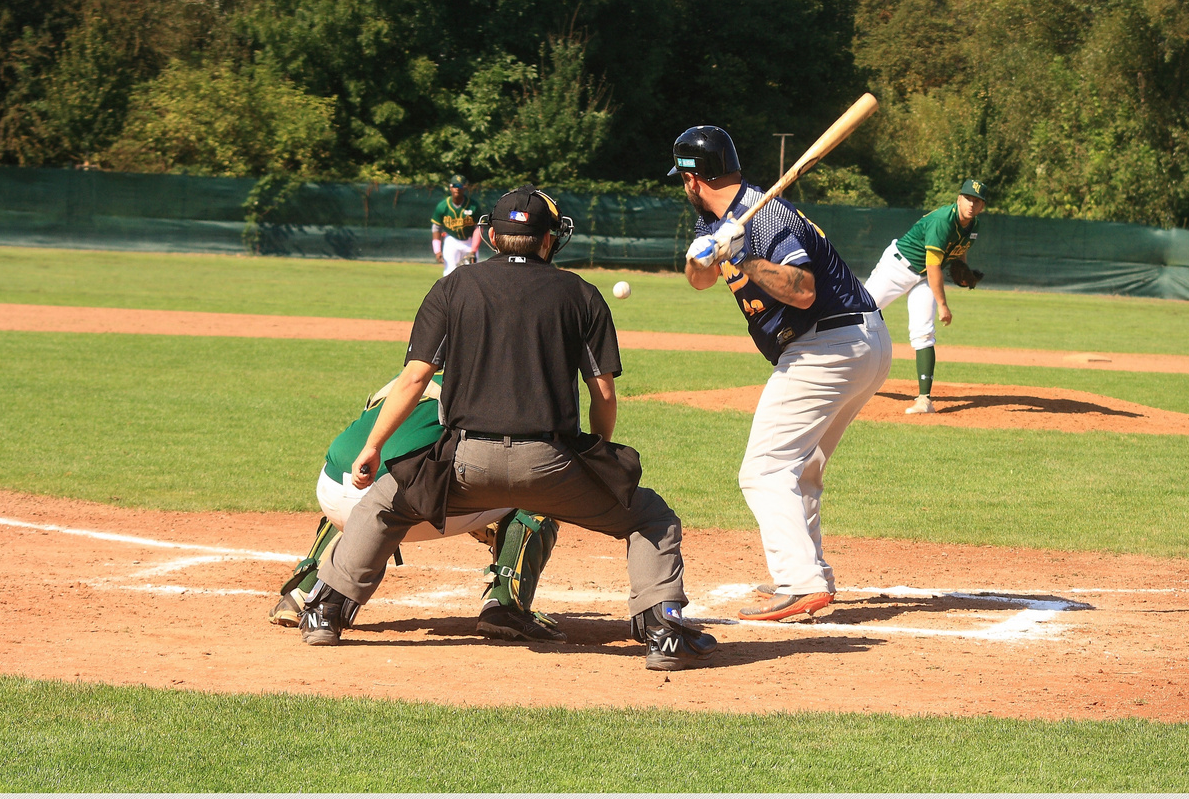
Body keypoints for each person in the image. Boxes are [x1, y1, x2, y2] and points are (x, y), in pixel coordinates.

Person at [300, 186, 717, 671]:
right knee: (651, 518)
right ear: (548, 240)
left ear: (492, 235)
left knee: (382, 505)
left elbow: (414, 377)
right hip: (551, 465)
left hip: (464, 464)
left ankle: (325, 610)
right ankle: (663, 632)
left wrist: (372, 446)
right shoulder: (580, 293)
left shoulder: (453, 287)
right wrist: (598, 456)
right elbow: (602, 392)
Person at [675, 125, 892, 622]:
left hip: (828, 343)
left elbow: (803, 291)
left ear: (693, 180)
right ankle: (811, 576)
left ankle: (800, 581)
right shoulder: (719, 220)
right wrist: (703, 256)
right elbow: (700, 280)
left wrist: (742, 256)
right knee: (802, 470)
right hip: (854, 342)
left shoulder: (766, 214)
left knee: (764, 469)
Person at [268, 370, 562, 643]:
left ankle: (303, 590)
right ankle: (505, 606)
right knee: (538, 486)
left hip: (332, 490)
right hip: (400, 507)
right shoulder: (493, 388)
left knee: (362, 496)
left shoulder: (409, 377)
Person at [861, 179, 987, 414]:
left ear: (982, 207)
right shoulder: (942, 221)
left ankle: (924, 400)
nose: (971, 204)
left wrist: (963, 270)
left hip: (924, 278)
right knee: (858, 316)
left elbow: (960, 252)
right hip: (897, 269)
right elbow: (933, 266)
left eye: (977, 201)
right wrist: (942, 305)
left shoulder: (974, 225)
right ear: (959, 198)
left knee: (923, 331)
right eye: (968, 198)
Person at [431, 174, 484, 277]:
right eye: (454, 185)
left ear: (465, 187)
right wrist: (437, 251)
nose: (457, 188)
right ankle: (449, 293)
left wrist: (473, 250)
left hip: (469, 241)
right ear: (450, 187)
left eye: (460, 186)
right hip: (451, 240)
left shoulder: (473, 206)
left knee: (473, 274)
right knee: (449, 273)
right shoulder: (443, 206)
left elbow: (479, 228)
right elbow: (436, 228)